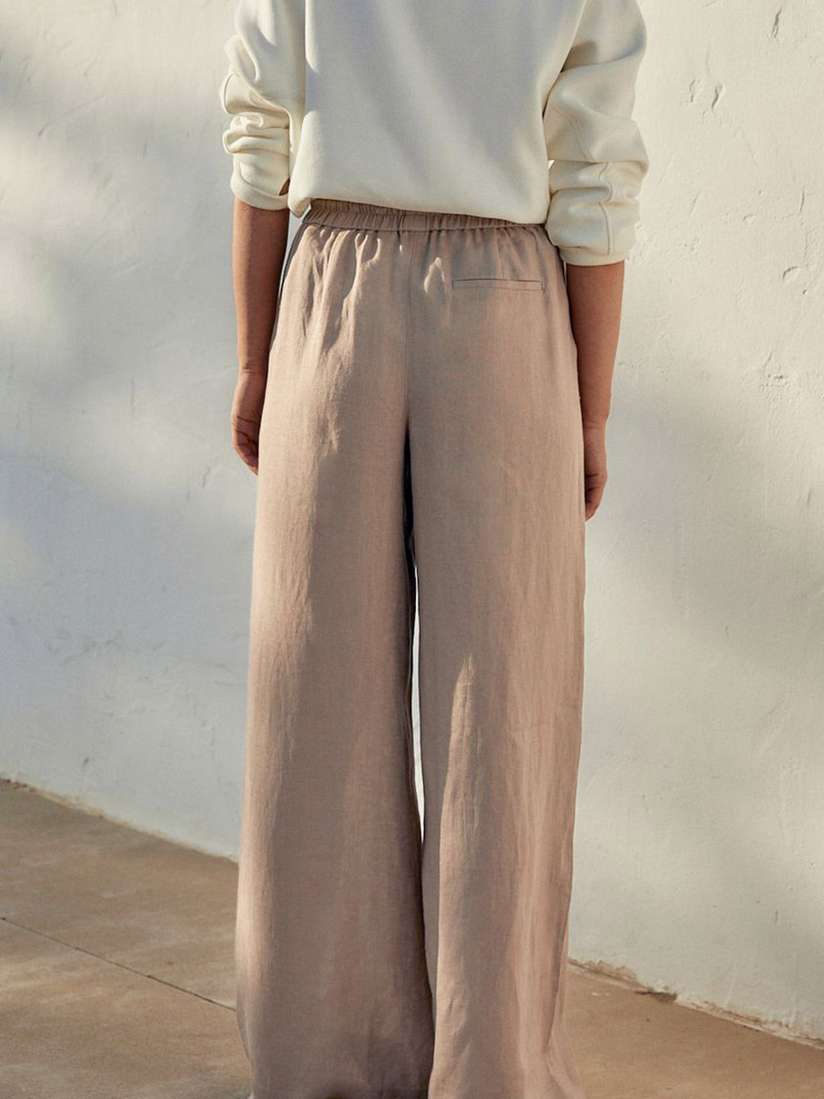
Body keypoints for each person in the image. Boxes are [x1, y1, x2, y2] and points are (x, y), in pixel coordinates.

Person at [220, 1, 648, 1096]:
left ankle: (322, 1065)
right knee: (501, 715)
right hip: (504, 308)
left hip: (333, 295)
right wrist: (591, 409)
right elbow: (594, 175)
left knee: (316, 704)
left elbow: (261, 136)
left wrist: (257, 360)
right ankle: (491, 1068)